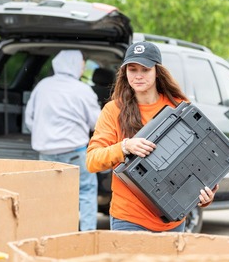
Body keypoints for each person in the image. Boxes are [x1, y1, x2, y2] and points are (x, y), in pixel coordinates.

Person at [86, 41, 218, 232]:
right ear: (125, 73)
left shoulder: (179, 106)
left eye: (145, 69)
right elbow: (92, 161)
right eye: (132, 69)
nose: (138, 75)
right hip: (128, 219)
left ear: (157, 71)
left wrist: (207, 195)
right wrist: (124, 147)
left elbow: (202, 161)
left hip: (172, 221)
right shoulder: (113, 110)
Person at [24, 50, 101, 231]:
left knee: (48, 196)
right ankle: (88, 235)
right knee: (86, 192)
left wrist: (43, 134)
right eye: (82, 64)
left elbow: (29, 119)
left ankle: (50, 233)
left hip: (46, 153)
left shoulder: (43, 86)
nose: (83, 68)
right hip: (75, 152)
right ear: (75, 65)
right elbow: (97, 123)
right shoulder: (83, 90)